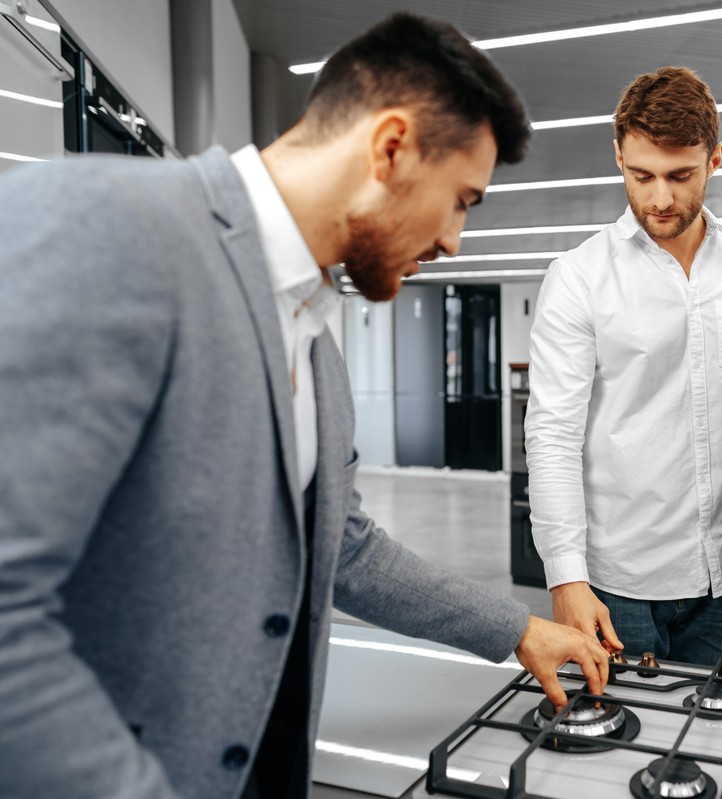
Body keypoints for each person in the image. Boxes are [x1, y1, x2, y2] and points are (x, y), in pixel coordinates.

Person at [0, 13, 609, 799]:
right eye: (462, 200)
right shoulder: (112, 224)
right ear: (390, 147)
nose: (455, 240)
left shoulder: (314, 341)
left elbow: (344, 549)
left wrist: (517, 628)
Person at [525, 66, 722, 668]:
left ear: (715, 160)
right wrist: (565, 577)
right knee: (620, 730)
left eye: (680, 175)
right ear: (618, 156)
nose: (660, 198)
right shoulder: (579, 278)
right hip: (617, 584)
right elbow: (552, 435)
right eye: (641, 175)